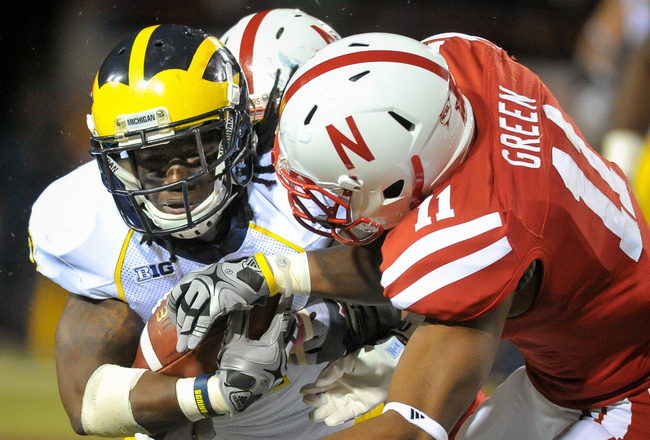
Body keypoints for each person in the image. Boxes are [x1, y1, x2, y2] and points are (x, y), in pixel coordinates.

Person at [167, 31, 650, 439]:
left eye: (330, 187)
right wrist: (277, 272)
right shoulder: (464, 65)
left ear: (399, 178)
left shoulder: (479, 232)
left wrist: (397, 357)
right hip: (572, 363)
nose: (314, 199)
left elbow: (409, 430)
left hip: (625, 390)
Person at [28, 20, 403, 439]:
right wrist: (217, 393)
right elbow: (88, 405)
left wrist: (322, 323)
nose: (175, 179)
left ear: (239, 132)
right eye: (149, 159)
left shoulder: (300, 191)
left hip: (328, 419)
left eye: (193, 149)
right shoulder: (87, 225)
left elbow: (416, 286)